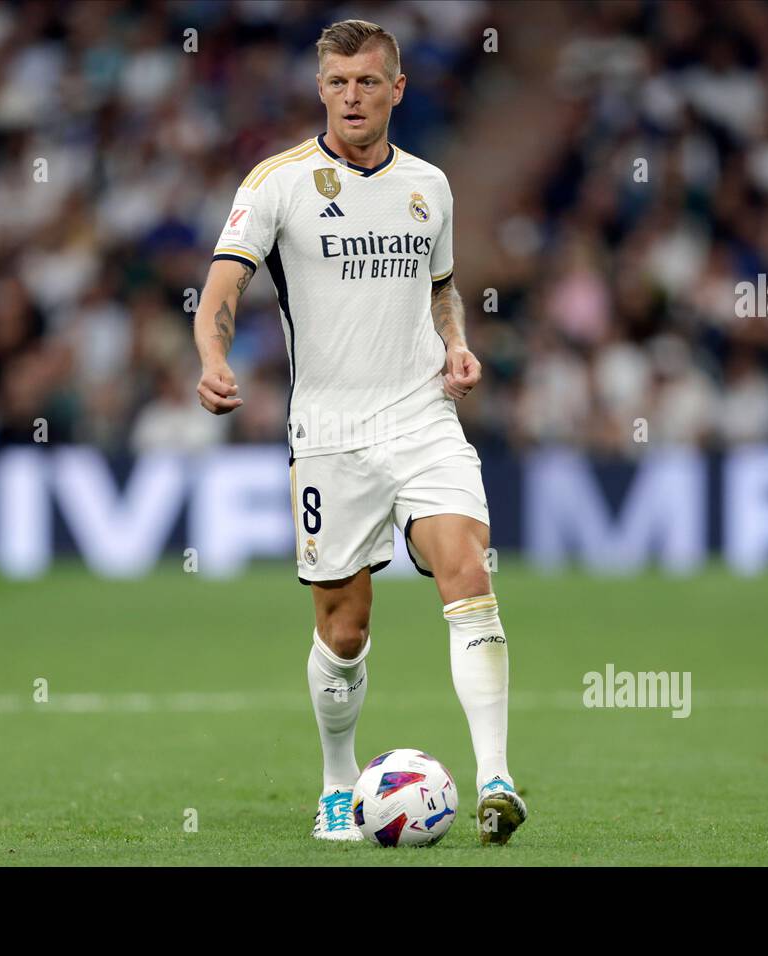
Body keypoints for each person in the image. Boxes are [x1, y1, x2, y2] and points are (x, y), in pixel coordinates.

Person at [191, 19, 525, 846]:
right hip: (330, 433)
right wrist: (212, 356)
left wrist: (455, 343)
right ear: (320, 90)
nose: (352, 96)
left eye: (369, 82)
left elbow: (442, 287)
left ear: (397, 89)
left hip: (422, 418)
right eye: (339, 83)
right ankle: (338, 782)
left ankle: (496, 781)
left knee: (466, 569)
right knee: (345, 630)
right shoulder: (278, 183)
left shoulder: (430, 187)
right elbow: (222, 285)